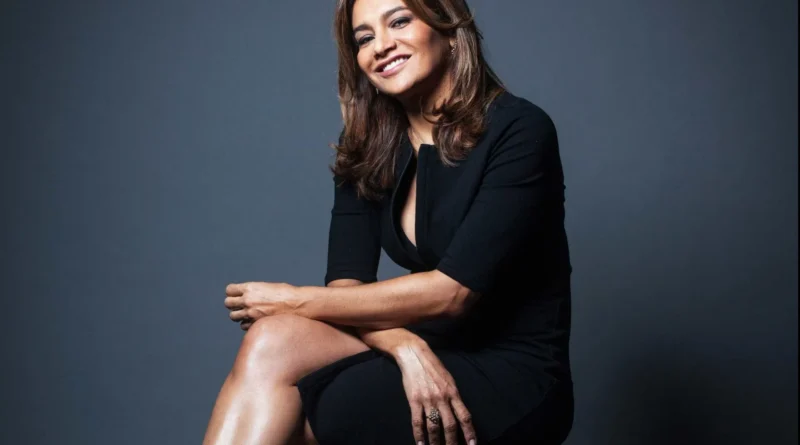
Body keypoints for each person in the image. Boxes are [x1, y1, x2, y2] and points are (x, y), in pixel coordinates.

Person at [202, 0, 574, 443]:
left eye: (398, 21)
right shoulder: (368, 143)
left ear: (449, 29)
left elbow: (453, 292)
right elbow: (345, 284)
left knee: (318, 407)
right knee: (272, 339)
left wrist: (295, 301)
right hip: (427, 340)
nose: (380, 45)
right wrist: (403, 344)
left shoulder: (520, 130)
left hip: (514, 372)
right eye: (364, 38)